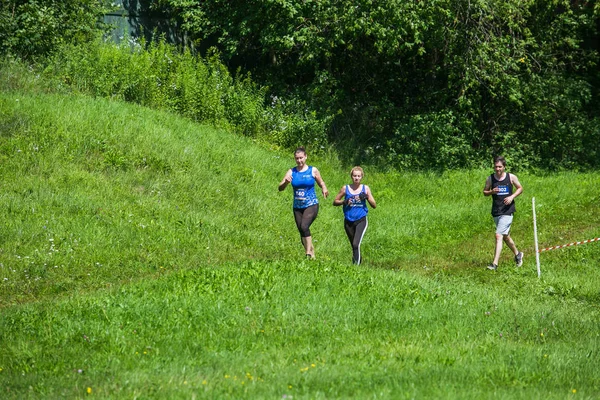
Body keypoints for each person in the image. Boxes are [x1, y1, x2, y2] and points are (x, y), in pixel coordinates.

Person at [278, 147, 329, 259]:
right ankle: (312, 255)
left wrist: (324, 188)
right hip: (297, 206)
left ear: (306, 157)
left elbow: (321, 182)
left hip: (311, 204)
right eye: (297, 158)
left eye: (301, 158)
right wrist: (286, 183)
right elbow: (280, 188)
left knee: (304, 226)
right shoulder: (292, 171)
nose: (299, 160)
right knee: (302, 230)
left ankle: (307, 254)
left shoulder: (312, 170)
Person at [483, 156, 524, 270]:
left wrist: (512, 196)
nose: (498, 169)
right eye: (496, 167)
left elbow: (520, 188)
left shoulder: (511, 177)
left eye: (500, 167)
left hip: (507, 210)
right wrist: (491, 191)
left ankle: (494, 264)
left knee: (498, 235)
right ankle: (518, 254)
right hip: (496, 211)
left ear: (504, 167)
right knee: (505, 236)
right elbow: (485, 192)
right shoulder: (490, 179)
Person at [333, 166, 377, 265]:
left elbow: (374, 205)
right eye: (354, 176)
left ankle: (355, 268)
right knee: (353, 245)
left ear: (361, 177)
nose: (356, 178)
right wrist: (344, 202)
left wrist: (366, 197)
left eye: (358, 176)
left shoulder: (365, 188)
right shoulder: (345, 188)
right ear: (351, 177)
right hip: (348, 220)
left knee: (356, 244)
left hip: (361, 219)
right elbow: (335, 202)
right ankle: (358, 261)